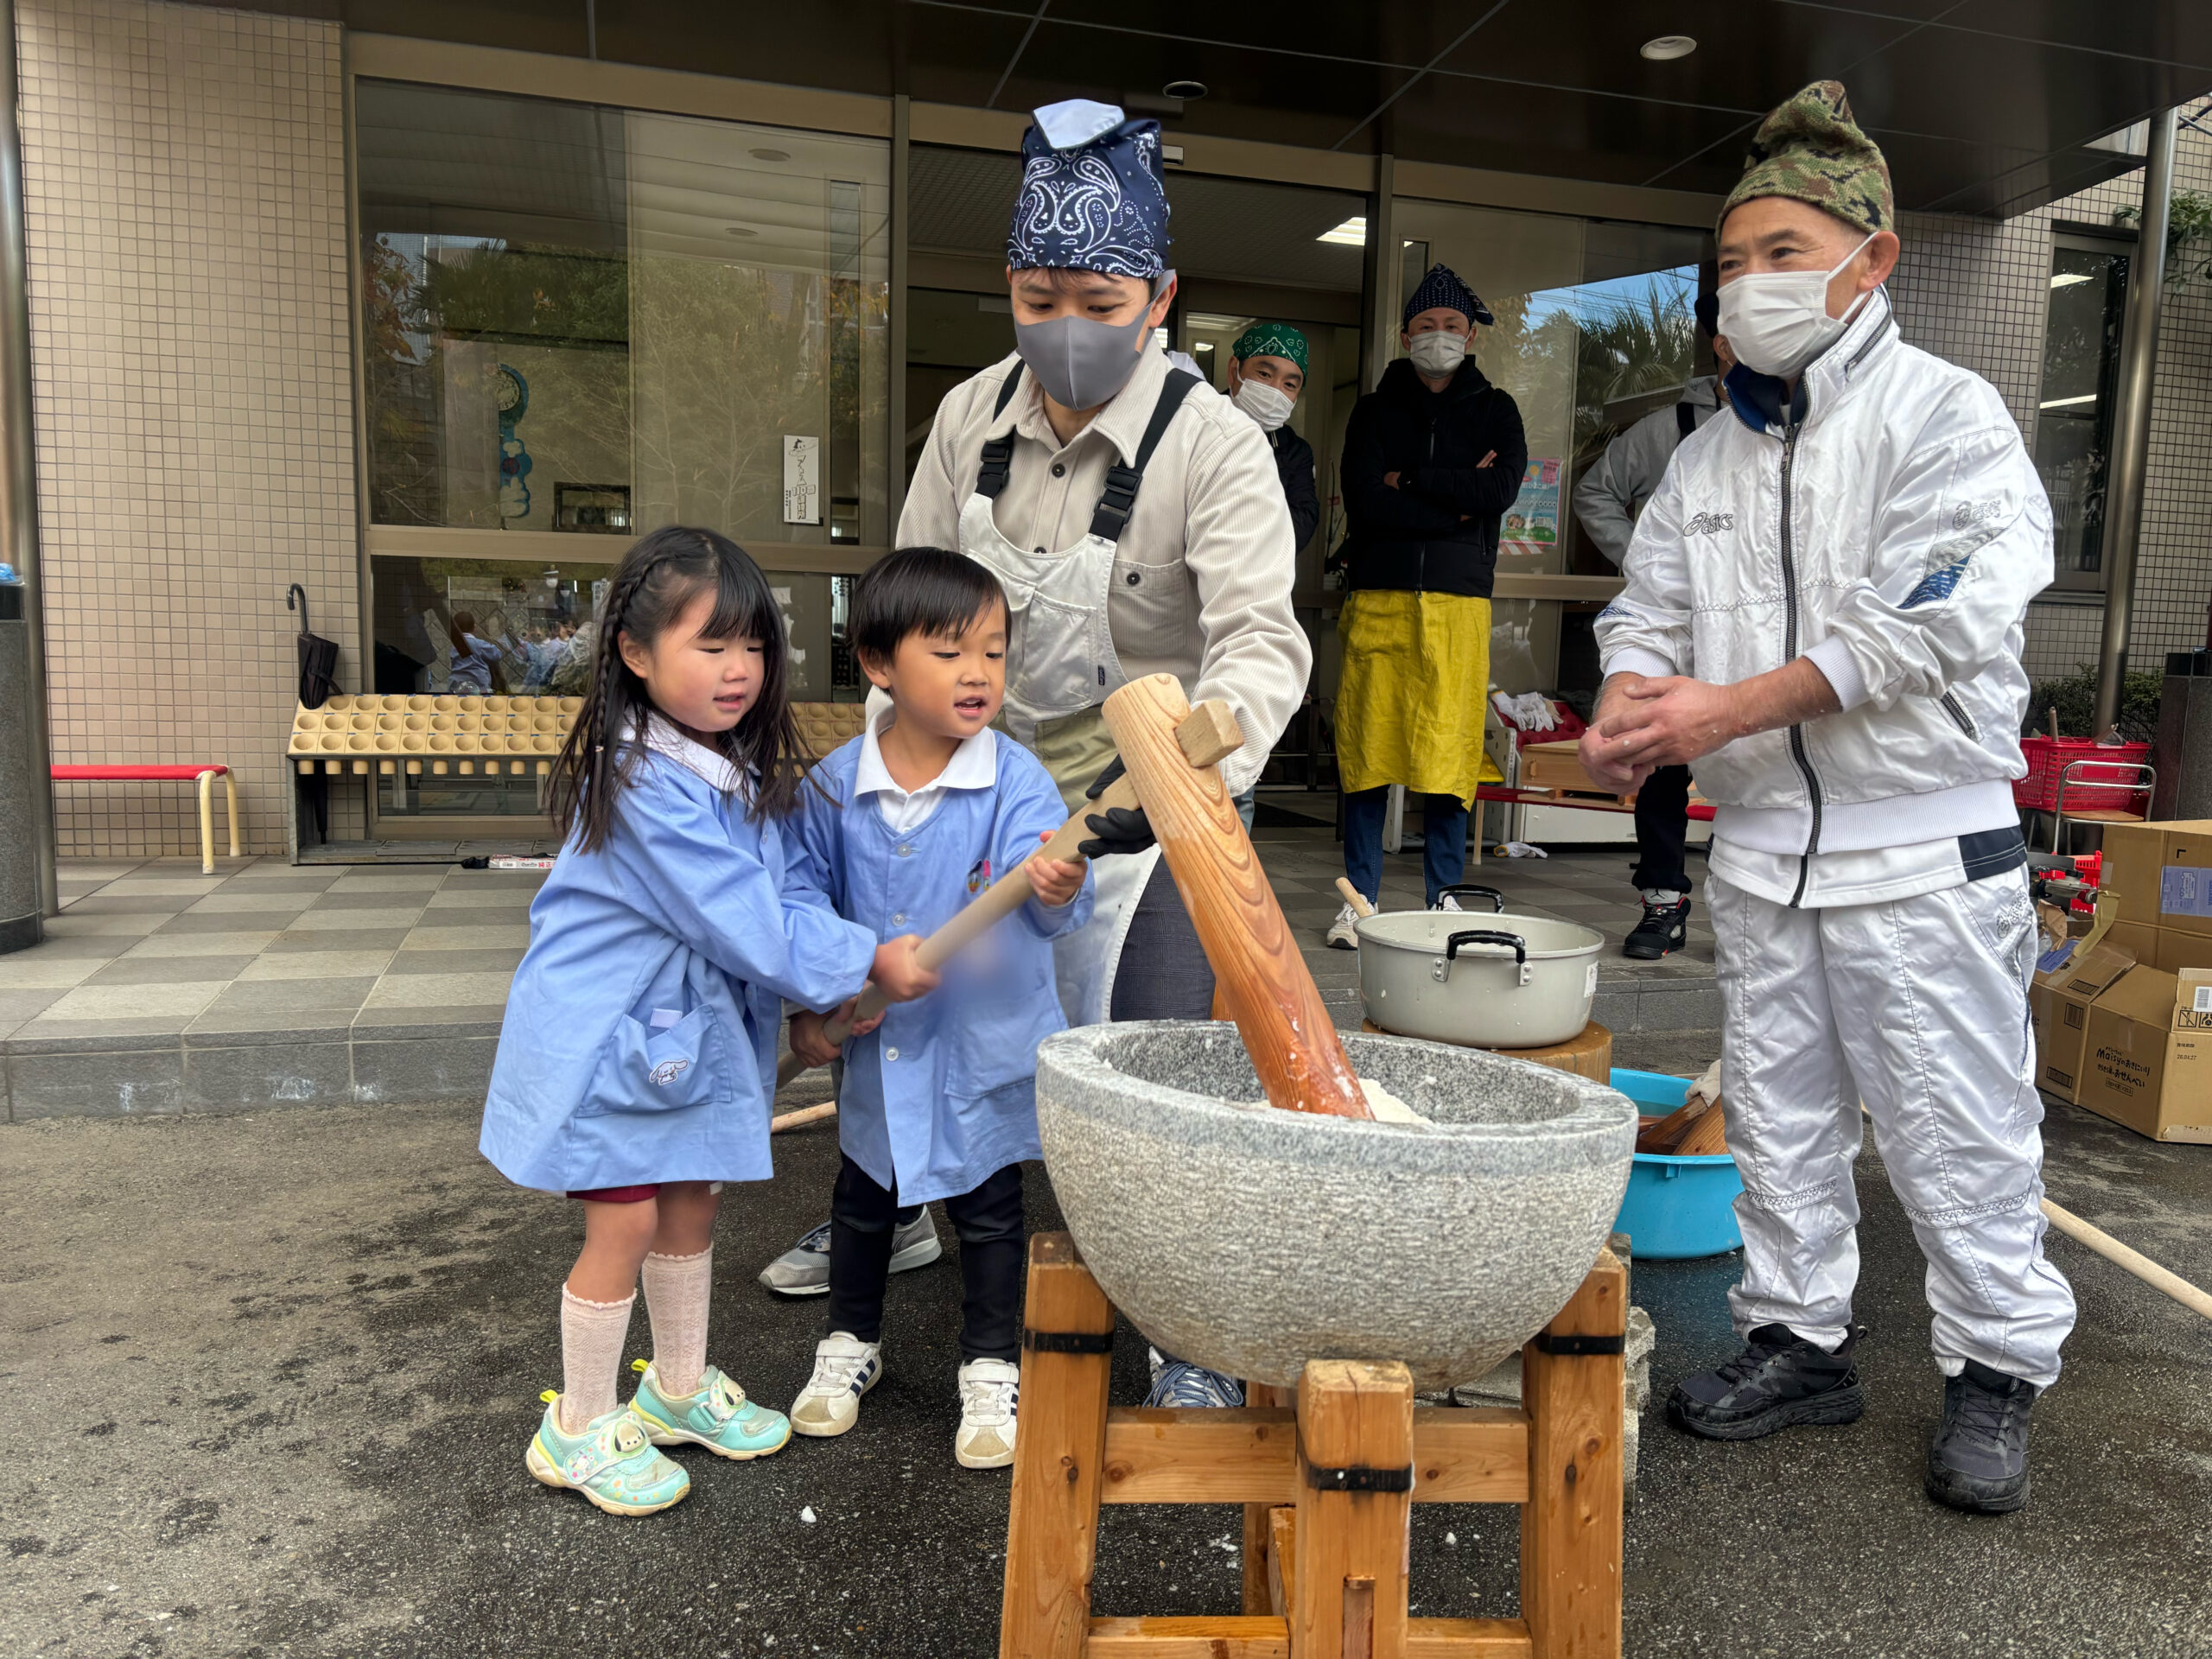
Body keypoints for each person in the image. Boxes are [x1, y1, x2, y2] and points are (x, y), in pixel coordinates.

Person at [760, 99, 1312, 1386]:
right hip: (969, 780)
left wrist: (1171, 781)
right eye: (1037, 297)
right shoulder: (969, 418)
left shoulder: (1216, 446)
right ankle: (897, 1208)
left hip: (1148, 796)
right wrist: (893, 778)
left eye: (1100, 302)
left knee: (1153, 1063)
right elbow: (911, 605)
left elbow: (1260, 646)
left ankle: (1181, 1329)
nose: (1066, 325)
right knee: (923, 1008)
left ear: (1159, 299)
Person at [1582, 82, 2070, 1516]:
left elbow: (1936, 619)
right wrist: (1632, 699)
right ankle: (1798, 1340)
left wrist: (1722, 711)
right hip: (1766, 853)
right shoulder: (1705, 457)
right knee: (1780, 1123)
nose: (1752, 284)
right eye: (1734, 262)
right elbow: (1647, 607)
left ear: (1873, 259)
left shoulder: (1948, 417)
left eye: (1784, 252)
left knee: (1957, 1130)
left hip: (1922, 848)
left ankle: (1996, 1369)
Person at [478, 525, 939, 1517]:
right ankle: (577, 1424)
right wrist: (866, 959)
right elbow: (746, 918)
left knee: (691, 1200)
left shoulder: (729, 765)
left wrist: (822, 993)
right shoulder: (644, 781)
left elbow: (782, 895)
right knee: (626, 1217)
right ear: (636, 655)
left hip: (679, 1040)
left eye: (755, 646)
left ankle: (675, 1390)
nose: (740, 669)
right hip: (614, 1039)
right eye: (711, 645)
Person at [782, 548, 1093, 1468]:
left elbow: (1044, 894)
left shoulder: (1016, 781)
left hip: (981, 1040)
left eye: (993, 652)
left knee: (991, 1206)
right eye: (950, 652)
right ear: (879, 663)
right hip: (877, 1043)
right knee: (863, 1200)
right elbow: (795, 903)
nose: (977, 673)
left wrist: (1055, 884)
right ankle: (850, 1341)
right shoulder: (832, 787)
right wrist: (831, 985)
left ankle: (991, 1364)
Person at [1327, 265, 1528, 947]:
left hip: (1458, 602)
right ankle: (1360, 901)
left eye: (1450, 326)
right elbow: (1366, 500)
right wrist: (1454, 503)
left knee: (1448, 755)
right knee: (1366, 754)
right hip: (1378, 596)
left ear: (1470, 336)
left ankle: (1445, 897)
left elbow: (1497, 492)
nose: (1437, 336)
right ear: (1404, 333)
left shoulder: (1496, 408)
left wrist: (1409, 480)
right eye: (1425, 325)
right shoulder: (1374, 410)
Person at [1571, 295, 1738, 959]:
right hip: (1679, 631)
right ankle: (1663, 901)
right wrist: (1639, 559)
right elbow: (1594, 491)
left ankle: (1742, 911)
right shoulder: (1672, 431)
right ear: (1721, 342)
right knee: (1661, 766)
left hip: (1763, 649)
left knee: (1756, 764)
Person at [1226, 321, 1319, 555]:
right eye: (1265, 374)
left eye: (1289, 384)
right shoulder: (1197, 424)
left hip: (1260, 572)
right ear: (1234, 370)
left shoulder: (1296, 452)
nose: (1276, 390)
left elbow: (1302, 522)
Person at [445, 609, 504, 694]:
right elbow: (497, 655)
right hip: (479, 686)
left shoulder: (455, 646)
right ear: (474, 627)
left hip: (456, 686)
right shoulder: (479, 644)